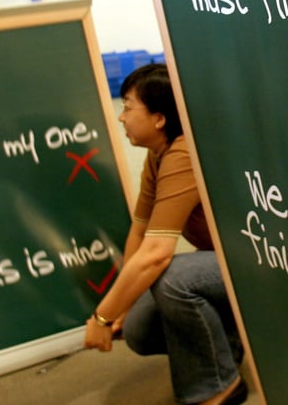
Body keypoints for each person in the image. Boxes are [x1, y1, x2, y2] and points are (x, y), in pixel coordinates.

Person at [83, 64, 245, 405]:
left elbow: (157, 253)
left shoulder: (184, 152)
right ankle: (228, 344)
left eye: (128, 107)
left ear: (159, 119)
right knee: (138, 328)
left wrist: (102, 316)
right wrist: (122, 307)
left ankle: (220, 386)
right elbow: (140, 231)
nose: (121, 117)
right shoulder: (158, 156)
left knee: (172, 278)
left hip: (253, 261)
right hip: (221, 261)